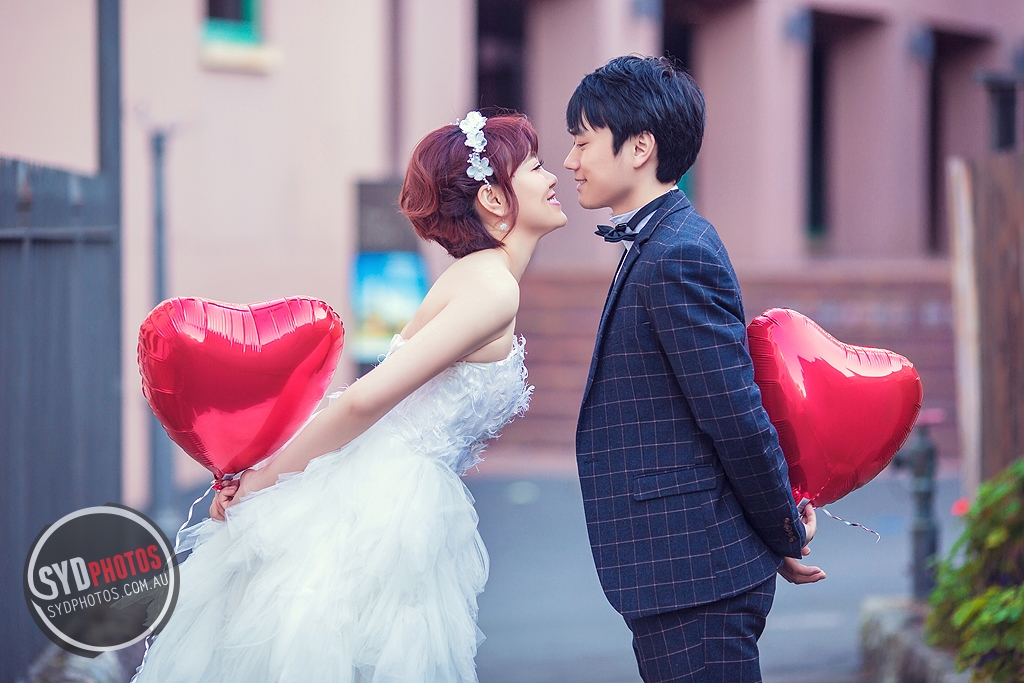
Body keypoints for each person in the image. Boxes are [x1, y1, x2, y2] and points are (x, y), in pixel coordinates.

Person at [130, 112, 566, 683]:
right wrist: (264, 481)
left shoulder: (481, 276)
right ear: (493, 196)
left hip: (394, 487)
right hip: (387, 500)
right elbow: (365, 401)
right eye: (536, 167)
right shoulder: (492, 286)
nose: (553, 177)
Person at [564, 56, 826, 683]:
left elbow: (736, 417)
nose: (570, 160)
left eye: (582, 141)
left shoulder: (678, 253)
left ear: (640, 148)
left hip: (697, 577)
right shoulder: (660, 242)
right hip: (684, 573)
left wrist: (782, 532)